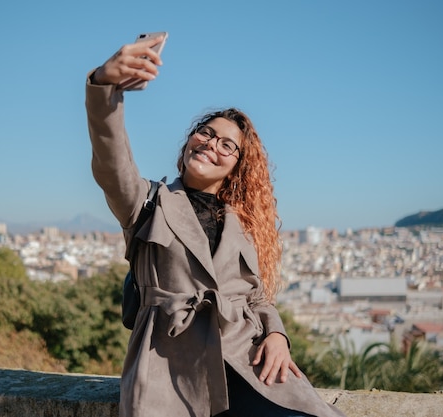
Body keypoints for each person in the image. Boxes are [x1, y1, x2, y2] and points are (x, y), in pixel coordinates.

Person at [85, 35, 346, 417]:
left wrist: (277, 335)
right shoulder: (147, 202)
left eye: (228, 145)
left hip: (248, 360)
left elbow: (256, 298)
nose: (212, 144)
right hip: (169, 365)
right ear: (189, 140)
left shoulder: (240, 223)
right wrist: (104, 84)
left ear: (237, 165)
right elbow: (111, 159)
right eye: (206, 133)